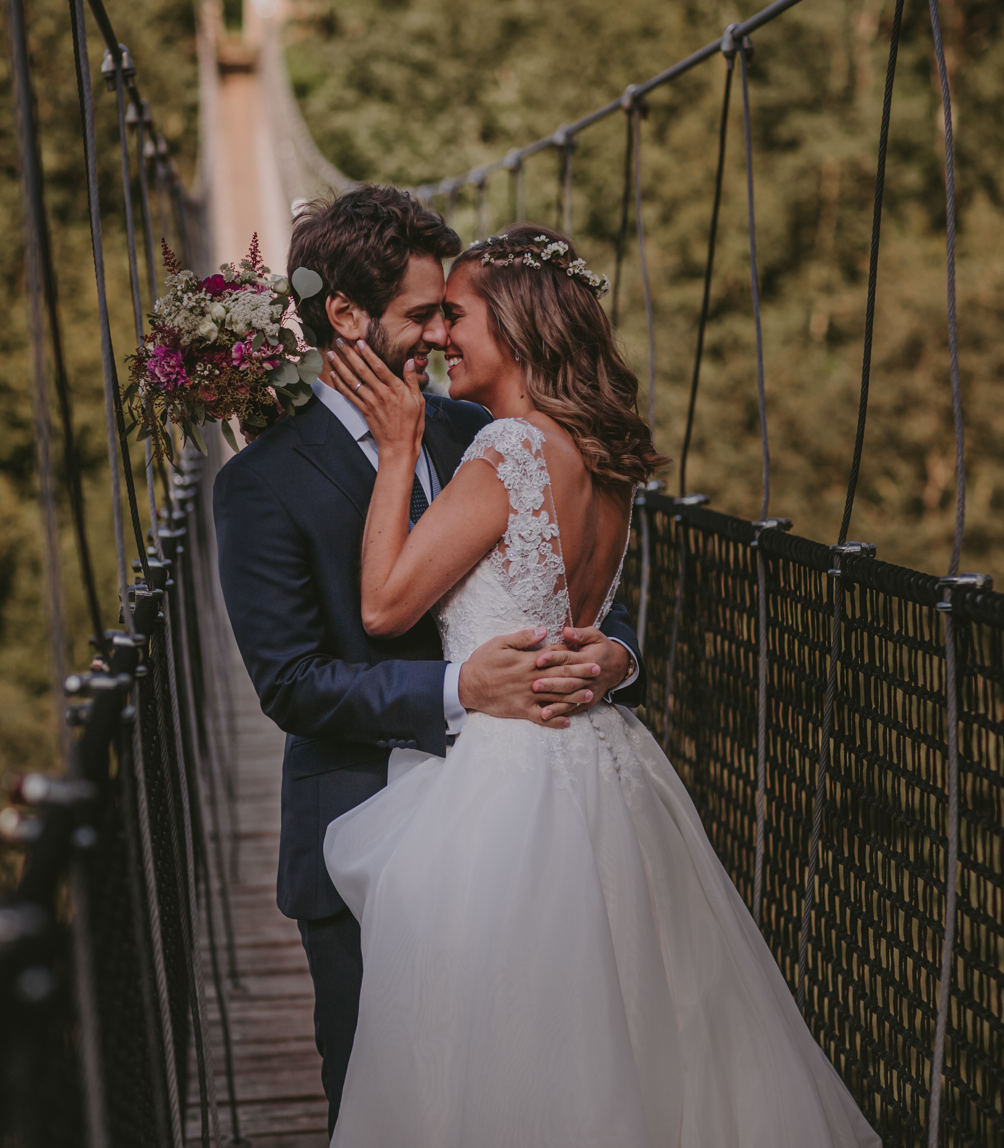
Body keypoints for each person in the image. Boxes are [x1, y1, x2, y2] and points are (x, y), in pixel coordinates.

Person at [317, 224, 881, 1147]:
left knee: (510, 1054)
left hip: (508, 781)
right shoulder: (599, 452)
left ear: (518, 325)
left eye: (456, 316)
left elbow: (383, 605)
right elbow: (579, 614)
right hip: (605, 759)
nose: (440, 338)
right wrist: (619, 658)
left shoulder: (506, 452)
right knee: (653, 1032)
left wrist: (396, 447)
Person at [211, 190, 647, 1129]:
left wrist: (616, 653)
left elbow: (578, 574)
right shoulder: (260, 483)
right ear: (344, 316)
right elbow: (290, 683)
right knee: (393, 1110)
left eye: (451, 315)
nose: (440, 338)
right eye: (423, 315)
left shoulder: (481, 429)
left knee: (544, 1089)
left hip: (536, 827)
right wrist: (460, 688)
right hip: (364, 825)